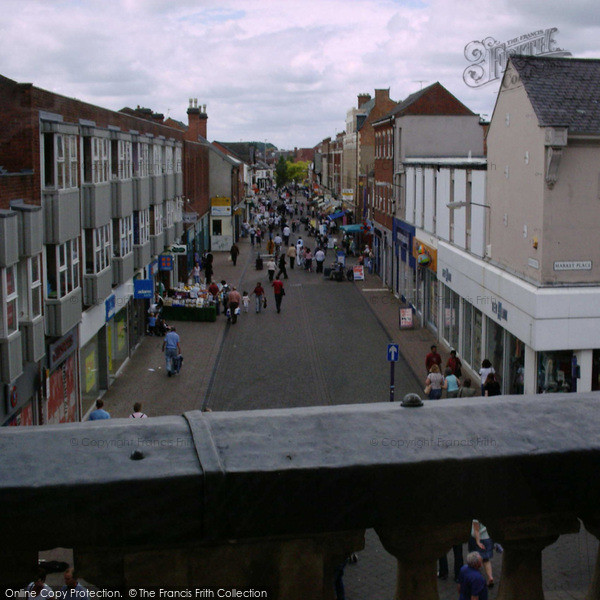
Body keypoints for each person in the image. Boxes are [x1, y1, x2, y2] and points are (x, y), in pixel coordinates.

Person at [468, 520, 495, 588]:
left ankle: (475, 579)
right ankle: (490, 577)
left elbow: (476, 529)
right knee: (486, 560)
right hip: (487, 537)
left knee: (474, 559)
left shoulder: (476, 517)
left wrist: (478, 541)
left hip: (478, 539)